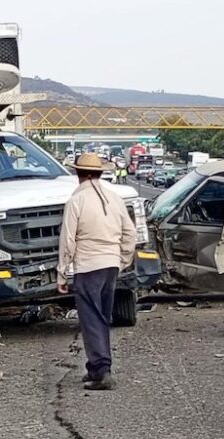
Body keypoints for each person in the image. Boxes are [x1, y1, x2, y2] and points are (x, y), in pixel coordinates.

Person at [57, 153, 137, 391]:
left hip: (88, 265)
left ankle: (102, 369)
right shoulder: (115, 198)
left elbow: (68, 239)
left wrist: (63, 272)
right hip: (111, 264)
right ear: (100, 173)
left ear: (78, 174)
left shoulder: (76, 201)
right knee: (102, 315)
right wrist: (122, 259)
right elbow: (130, 234)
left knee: (91, 318)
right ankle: (95, 367)